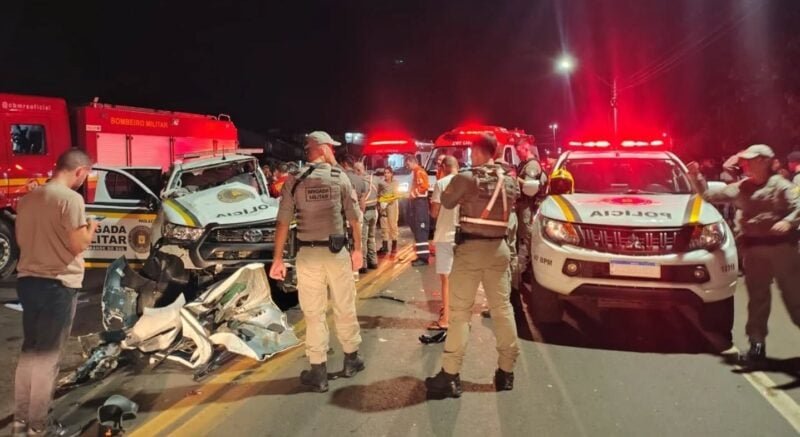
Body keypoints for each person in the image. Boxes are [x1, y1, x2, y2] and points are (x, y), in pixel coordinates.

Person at [425, 134, 520, 398]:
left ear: (476, 152)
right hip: (499, 250)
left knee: (460, 314)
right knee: (502, 310)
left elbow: (447, 202)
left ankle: (450, 375)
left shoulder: (467, 178)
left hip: (470, 251)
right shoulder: (510, 181)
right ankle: (506, 371)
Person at [269, 131, 365, 392]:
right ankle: (351, 359)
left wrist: (277, 259)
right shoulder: (339, 178)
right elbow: (355, 218)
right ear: (322, 149)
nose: (334, 152)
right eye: (331, 148)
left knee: (313, 313)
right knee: (344, 306)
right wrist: (358, 250)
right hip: (336, 254)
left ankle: (318, 371)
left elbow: (283, 223)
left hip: (308, 255)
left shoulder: (295, 181)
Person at [687, 144, 800, 362]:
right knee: (758, 299)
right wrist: (696, 175)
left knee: (795, 300)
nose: (746, 164)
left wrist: (788, 221)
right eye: (746, 161)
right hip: (755, 250)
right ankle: (757, 344)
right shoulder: (742, 187)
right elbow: (710, 195)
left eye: (752, 160)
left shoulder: (781, 185)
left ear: (766, 162)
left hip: (782, 250)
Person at [13, 149, 98, 436]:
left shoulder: (27, 199)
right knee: (48, 358)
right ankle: (39, 426)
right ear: (79, 171)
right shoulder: (71, 200)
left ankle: (21, 420)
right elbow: (77, 245)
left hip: (28, 282)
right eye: (85, 175)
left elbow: (22, 240)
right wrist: (91, 228)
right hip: (57, 284)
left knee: (31, 351)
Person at [429, 155, 460, 330]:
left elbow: (434, 213)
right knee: (459, 277)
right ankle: (456, 313)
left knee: (446, 279)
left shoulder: (441, 184)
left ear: (443, 167)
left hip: (445, 236)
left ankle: (446, 319)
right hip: (462, 236)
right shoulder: (466, 183)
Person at [513, 137, 546, 292]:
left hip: (529, 205)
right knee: (523, 236)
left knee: (526, 236)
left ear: (526, 148)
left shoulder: (532, 165)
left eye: (519, 151)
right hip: (523, 204)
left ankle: (528, 269)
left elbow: (530, 187)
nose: (517, 154)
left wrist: (515, 178)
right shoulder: (524, 164)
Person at [354, 161, 388, 272]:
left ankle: (363, 265)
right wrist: (382, 200)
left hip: (364, 212)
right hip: (374, 212)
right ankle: (373, 262)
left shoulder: (358, 181)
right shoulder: (375, 179)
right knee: (371, 237)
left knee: (362, 239)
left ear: (358, 170)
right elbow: (388, 188)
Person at [405, 154, 431, 266]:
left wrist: (412, 194)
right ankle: (421, 256)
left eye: (407, 164)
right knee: (417, 228)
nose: (407, 167)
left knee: (421, 229)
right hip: (417, 203)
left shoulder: (419, 172)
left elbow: (424, 187)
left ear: (412, 162)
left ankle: (423, 258)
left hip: (420, 204)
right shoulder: (416, 172)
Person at [378, 167, 401, 256]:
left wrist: (386, 201)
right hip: (383, 206)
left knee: (393, 225)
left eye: (388, 173)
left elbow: (395, 194)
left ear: (391, 173)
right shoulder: (382, 183)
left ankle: (394, 247)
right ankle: (385, 247)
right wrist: (380, 202)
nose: (386, 174)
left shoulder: (395, 183)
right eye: (385, 173)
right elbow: (379, 193)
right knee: (384, 226)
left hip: (392, 206)